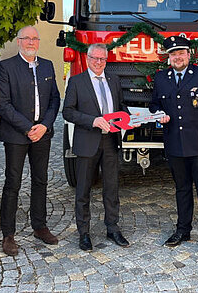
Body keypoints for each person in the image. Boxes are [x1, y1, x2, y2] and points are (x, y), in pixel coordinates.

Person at [149, 36, 198, 257]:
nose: (177, 57)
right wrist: (158, 115)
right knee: (181, 190)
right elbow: (155, 104)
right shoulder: (162, 78)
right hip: (175, 144)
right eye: (173, 54)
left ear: (189, 55)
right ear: (169, 57)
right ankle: (183, 230)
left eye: (181, 53)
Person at [0, 26, 61, 256]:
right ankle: (8, 233)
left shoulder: (48, 66)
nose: (31, 42)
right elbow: (1, 103)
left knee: (40, 180)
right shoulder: (6, 67)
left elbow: (55, 100)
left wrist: (44, 126)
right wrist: (27, 128)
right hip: (16, 135)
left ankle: (39, 226)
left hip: (42, 133)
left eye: (35, 38)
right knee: (13, 182)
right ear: (19, 41)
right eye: (26, 38)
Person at [62, 43, 130, 251]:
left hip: (110, 141)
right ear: (88, 58)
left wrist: (130, 118)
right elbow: (68, 112)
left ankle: (113, 228)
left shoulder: (114, 80)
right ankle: (84, 233)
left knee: (112, 188)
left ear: (106, 60)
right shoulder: (76, 81)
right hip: (87, 141)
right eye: (95, 58)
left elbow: (121, 107)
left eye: (102, 59)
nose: (98, 62)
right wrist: (92, 120)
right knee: (83, 190)